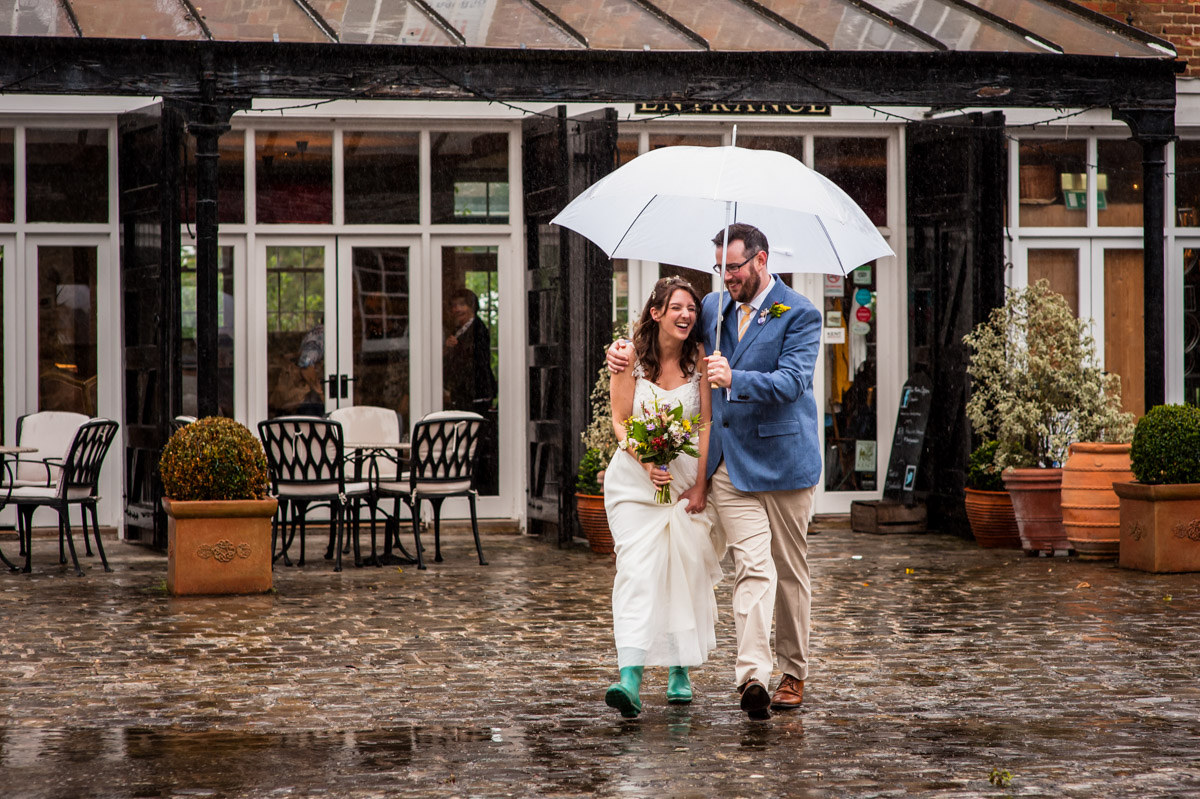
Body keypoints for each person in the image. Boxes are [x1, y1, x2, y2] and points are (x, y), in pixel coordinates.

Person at [608, 223, 822, 720]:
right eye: (721, 268)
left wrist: (736, 377)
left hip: (786, 465)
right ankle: (753, 676)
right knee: (752, 566)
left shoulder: (801, 312)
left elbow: (792, 382)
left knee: (790, 572)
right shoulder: (711, 308)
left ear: (762, 261)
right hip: (731, 466)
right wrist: (618, 352)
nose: (726, 277)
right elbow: (664, 343)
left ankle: (793, 672)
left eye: (735, 267)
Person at [602, 276, 723, 719]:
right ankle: (629, 677)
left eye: (691, 308)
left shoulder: (702, 361)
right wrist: (645, 454)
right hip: (634, 483)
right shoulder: (629, 359)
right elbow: (618, 419)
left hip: (685, 478)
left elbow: (706, 423)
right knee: (636, 571)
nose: (686, 315)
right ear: (656, 313)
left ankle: (679, 668)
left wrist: (702, 484)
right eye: (676, 307)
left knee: (683, 569)